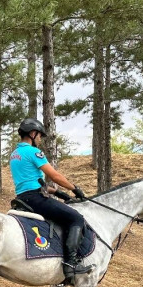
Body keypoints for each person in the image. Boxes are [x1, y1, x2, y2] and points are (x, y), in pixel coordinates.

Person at [9, 118, 92, 278]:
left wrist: (60, 194)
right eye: (39, 136)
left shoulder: (15, 154)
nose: (39, 139)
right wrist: (74, 188)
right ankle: (71, 263)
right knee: (76, 219)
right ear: (33, 134)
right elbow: (54, 175)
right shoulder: (33, 152)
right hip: (35, 198)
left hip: (23, 197)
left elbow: (34, 182)